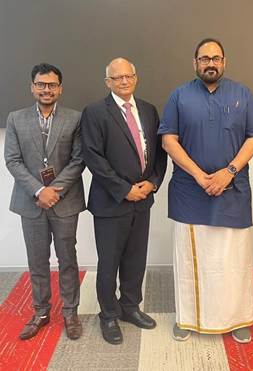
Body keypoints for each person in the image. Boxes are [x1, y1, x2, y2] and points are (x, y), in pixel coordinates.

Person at [159, 38, 253, 343]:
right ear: (195, 63)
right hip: (190, 192)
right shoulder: (179, 95)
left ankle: (237, 319)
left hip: (232, 193)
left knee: (232, 262)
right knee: (190, 259)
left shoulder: (242, 94)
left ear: (224, 62)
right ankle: (188, 319)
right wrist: (200, 176)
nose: (210, 63)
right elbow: (169, 140)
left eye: (216, 58)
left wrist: (228, 172)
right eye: (204, 58)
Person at [81, 58, 166, 345]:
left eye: (129, 75)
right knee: (109, 263)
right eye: (117, 78)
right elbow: (93, 157)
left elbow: (158, 154)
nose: (124, 81)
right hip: (111, 202)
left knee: (135, 259)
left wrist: (152, 183)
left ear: (136, 77)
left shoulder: (149, 110)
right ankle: (108, 315)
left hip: (143, 200)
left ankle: (130, 306)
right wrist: (124, 189)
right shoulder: (94, 112)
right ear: (108, 82)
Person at [4, 63, 85, 341]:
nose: (46, 89)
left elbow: (78, 159)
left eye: (51, 85)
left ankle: (71, 312)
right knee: (37, 261)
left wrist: (55, 191)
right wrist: (40, 191)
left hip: (65, 202)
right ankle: (40, 311)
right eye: (41, 84)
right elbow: (12, 160)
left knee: (67, 259)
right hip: (31, 203)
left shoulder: (75, 119)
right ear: (32, 87)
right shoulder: (16, 118)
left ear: (60, 88)